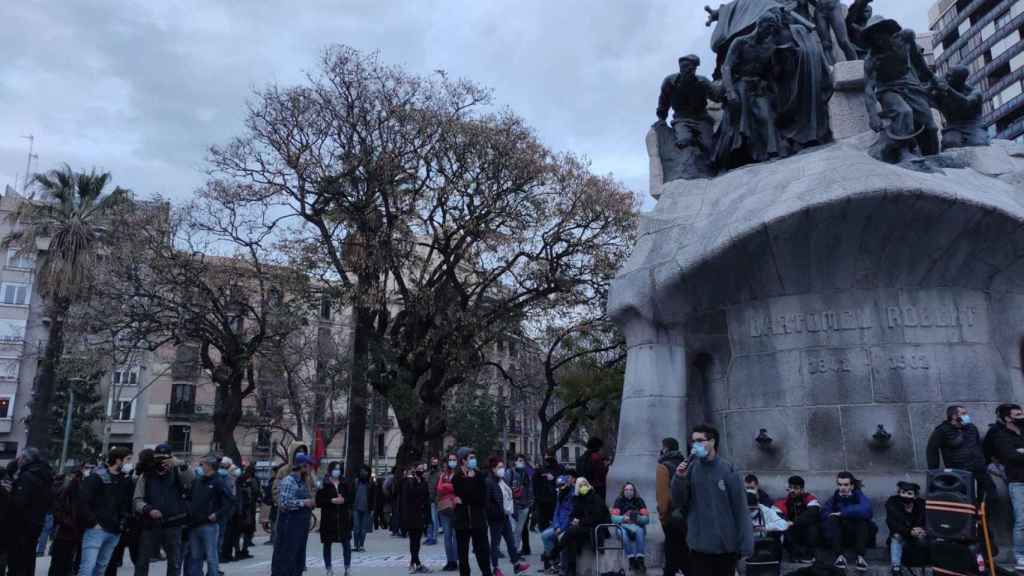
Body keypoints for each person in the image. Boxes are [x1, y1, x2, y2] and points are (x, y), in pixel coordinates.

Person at [671, 425, 752, 576]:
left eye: (700, 440)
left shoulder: (728, 470)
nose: (695, 445)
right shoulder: (691, 469)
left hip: (725, 547)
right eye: (693, 441)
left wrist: (745, 545)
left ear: (712, 442)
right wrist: (679, 478)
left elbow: (740, 508)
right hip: (699, 545)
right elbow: (678, 502)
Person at [863, 18, 939, 162]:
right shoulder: (872, 59)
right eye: (875, 38)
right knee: (904, 112)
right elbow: (868, 89)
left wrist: (934, 79)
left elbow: (920, 63)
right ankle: (903, 151)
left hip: (911, 86)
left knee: (930, 125)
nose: (879, 41)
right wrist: (873, 115)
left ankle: (933, 157)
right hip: (888, 89)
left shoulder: (906, 44)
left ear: (889, 32)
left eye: (881, 35)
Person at [134, 444, 194, 576]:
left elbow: (192, 480)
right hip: (150, 524)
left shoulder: (178, 473)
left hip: (174, 524)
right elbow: (137, 500)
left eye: (166, 459)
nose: (162, 462)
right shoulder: (146, 475)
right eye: (159, 458)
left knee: (174, 562)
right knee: (142, 561)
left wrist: (181, 464)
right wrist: (148, 509)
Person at [78, 447, 133, 576]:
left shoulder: (125, 479)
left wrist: (123, 522)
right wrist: (93, 523)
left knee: (101, 568)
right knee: (87, 567)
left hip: (114, 530)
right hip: (97, 529)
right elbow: (83, 501)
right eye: (127, 459)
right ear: (118, 460)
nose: (129, 463)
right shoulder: (97, 477)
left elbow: (126, 504)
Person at [542, 477, 609, 576]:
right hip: (581, 527)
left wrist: (580, 521)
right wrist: (574, 520)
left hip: (594, 528)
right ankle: (571, 570)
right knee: (571, 540)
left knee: (571, 532)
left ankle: (554, 553)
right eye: (580, 486)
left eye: (584, 484)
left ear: (588, 485)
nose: (583, 487)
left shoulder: (595, 498)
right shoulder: (578, 499)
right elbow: (573, 513)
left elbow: (597, 517)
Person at [927, 405, 991, 501]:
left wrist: (983, 462)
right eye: (963, 414)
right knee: (966, 500)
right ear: (954, 416)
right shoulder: (942, 430)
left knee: (991, 495)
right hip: (961, 473)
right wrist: (934, 472)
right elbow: (932, 450)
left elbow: (978, 445)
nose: (967, 416)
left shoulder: (971, 428)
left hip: (979, 469)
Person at [987, 403, 1024, 570]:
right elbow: (1011, 456)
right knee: (1022, 521)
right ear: (1007, 418)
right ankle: (1021, 556)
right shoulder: (999, 433)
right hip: (1018, 480)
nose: (1022, 416)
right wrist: (1018, 453)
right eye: (1017, 414)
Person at [8, 446, 56, 576]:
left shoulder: (27, 476)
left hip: (22, 523)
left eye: (20, 457)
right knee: (29, 555)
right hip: (37, 521)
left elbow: (18, 502)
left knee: (18, 558)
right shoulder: (45, 474)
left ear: (24, 459)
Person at [187, 456, 235, 576]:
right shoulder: (197, 481)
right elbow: (189, 498)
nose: (201, 466)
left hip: (209, 525)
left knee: (211, 556)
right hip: (194, 524)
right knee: (195, 556)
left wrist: (217, 515)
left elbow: (230, 501)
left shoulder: (219, 481)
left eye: (203, 464)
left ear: (209, 466)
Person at [271, 453, 316, 576]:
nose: (310, 469)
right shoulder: (289, 481)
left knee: (298, 556)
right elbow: (284, 503)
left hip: (300, 526)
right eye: (309, 466)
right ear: (302, 466)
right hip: (290, 525)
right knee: (288, 556)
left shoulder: (302, 482)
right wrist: (304, 502)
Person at [485, 458, 530, 576]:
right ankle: (495, 568)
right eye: (499, 467)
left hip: (505, 516)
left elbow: (506, 497)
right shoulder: (489, 482)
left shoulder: (501, 481)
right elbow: (487, 502)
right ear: (493, 468)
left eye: (503, 467)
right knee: (495, 544)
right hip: (496, 518)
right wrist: (495, 512)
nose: (502, 469)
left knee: (510, 542)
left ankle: (516, 565)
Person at [821, 471, 873, 572]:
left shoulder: (859, 496)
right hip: (839, 536)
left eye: (846, 484)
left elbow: (867, 510)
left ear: (852, 486)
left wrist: (842, 513)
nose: (842, 487)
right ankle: (839, 557)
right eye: (840, 484)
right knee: (832, 518)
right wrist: (833, 517)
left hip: (857, 535)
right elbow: (824, 513)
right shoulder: (834, 498)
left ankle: (860, 558)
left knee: (861, 520)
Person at [453, 448, 493, 576]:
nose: (474, 460)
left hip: (478, 520)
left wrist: (465, 497)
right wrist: (469, 484)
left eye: (474, 458)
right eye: (471, 458)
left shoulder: (479, 476)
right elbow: (462, 494)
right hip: (462, 522)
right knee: (463, 555)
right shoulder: (457, 477)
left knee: (483, 552)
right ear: (463, 460)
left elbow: (481, 498)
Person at [656, 438, 687, 576]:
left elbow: (663, 496)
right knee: (684, 551)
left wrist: (662, 516)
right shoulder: (686, 463)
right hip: (685, 515)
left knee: (671, 553)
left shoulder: (663, 467)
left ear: (666, 449)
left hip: (670, 517)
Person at [317, 462, 353, 576]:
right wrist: (331, 501)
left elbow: (350, 499)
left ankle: (347, 567)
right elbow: (319, 501)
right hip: (328, 520)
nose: (337, 471)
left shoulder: (344, 483)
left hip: (343, 519)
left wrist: (344, 500)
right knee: (327, 544)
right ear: (330, 470)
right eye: (335, 469)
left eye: (339, 469)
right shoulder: (324, 484)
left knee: (346, 544)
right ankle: (328, 568)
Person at [773, 475, 820, 564]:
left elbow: (812, 513)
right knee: (783, 527)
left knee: (813, 527)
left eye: (796, 488)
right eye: (790, 488)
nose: (792, 490)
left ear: (802, 489)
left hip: (805, 530)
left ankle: (808, 554)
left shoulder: (810, 498)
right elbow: (778, 515)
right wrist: (787, 523)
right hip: (792, 532)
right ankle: (795, 554)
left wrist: (794, 522)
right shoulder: (784, 501)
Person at [885, 481, 927, 576]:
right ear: (899, 493)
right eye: (903, 492)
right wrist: (909, 531)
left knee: (924, 538)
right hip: (902, 534)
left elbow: (927, 521)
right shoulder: (892, 503)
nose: (905, 496)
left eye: (909, 494)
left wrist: (921, 529)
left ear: (915, 496)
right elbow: (892, 523)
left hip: (917, 537)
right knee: (896, 536)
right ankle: (896, 567)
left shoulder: (921, 505)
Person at [401, 462, 432, 573]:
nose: (421, 471)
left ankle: (414, 563)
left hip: (420, 514)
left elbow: (426, 497)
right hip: (411, 515)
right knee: (413, 540)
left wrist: (428, 517)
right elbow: (408, 497)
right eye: (419, 468)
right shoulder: (409, 482)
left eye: (422, 469)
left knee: (417, 540)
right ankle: (416, 563)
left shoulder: (423, 481)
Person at [611, 482, 650, 571]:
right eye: (626, 489)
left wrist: (636, 518)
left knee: (640, 531)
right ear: (623, 491)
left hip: (637, 527)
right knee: (623, 534)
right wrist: (624, 518)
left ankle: (640, 559)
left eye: (631, 489)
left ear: (634, 491)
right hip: (622, 527)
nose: (629, 491)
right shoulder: (619, 501)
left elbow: (647, 519)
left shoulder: (639, 501)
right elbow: (613, 518)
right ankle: (631, 559)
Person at [540, 475, 574, 574]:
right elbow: (556, 512)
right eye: (558, 486)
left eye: (562, 485)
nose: (560, 488)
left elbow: (570, 515)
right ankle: (553, 562)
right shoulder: (561, 495)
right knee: (545, 535)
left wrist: (561, 528)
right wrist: (556, 526)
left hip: (566, 527)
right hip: (559, 525)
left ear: (567, 484)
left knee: (560, 538)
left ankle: (558, 564)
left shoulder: (572, 496)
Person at [437, 453, 460, 572]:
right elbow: (439, 488)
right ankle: (449, 561)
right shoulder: (442, 475)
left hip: (456, 508)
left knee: (456, 536)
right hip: (445, 508)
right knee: (447, 536)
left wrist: (447, 486)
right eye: (448, 461)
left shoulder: (459, 473)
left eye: (453, 460)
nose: (450, 463)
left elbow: (459, 487)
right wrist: (450, 486)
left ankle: (455, 560)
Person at [533, 453, 563, 535]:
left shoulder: (557, 469)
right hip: (546, 500)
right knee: (548, 523)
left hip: (548, 500)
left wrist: (553, 478)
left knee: (547, 524)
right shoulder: (540, 471)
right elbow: (535, 484)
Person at [510, 455, 533, 555]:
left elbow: (530, 487)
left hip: (525, 504)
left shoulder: (527, 473)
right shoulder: (510, 473)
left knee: (521, 528)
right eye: (519, 460)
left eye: (523, 461)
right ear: (515, 462)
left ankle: (519, 549)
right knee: (516, 529)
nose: (521, 462)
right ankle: (515, 548)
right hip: (514, 504)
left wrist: (530, 501)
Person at [234, 464, 258, 559]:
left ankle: (237, 551)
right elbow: (256, 492)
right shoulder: (253, 480)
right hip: (249, 509)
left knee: (238, 531)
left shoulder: (239, 479)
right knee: (248, 531)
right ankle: (244, 550)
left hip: (240, 509)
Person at [352, 465, 374, 553]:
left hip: (366, 508)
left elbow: (373, 497)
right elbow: (352, 494)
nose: (363, 473)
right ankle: (355, 545)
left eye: (365, 471)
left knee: (363, 529)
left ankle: (361, 545)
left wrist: (372, 509)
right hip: (356, 507)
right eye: (362, 471)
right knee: (356, 528)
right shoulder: (356, 482)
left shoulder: (370, 484)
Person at [427, 457, 441, 547]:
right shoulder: (429, 474)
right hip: (429, 499)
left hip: (435, 500)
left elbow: (438, 488)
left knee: (434, 519)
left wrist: (436, 499)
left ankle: (434, 537)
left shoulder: (439, 474)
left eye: (435, 462)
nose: (434, 464)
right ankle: (429, 537)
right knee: (429, 520)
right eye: (433, 462)